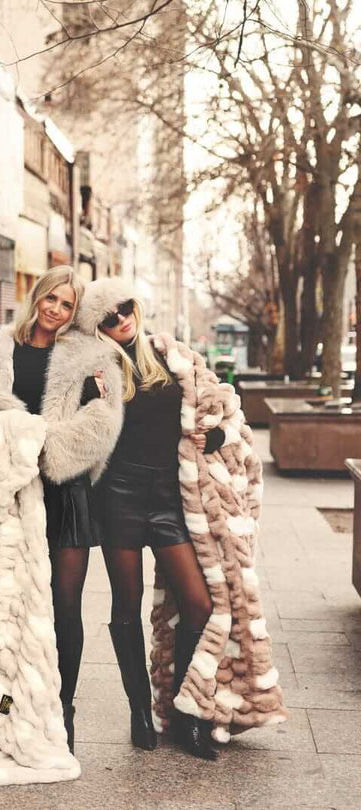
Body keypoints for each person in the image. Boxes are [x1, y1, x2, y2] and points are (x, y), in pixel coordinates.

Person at [76, 278, 287, 759]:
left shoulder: (174, 357)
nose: (120, 319)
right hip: (119, 497)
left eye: (124, 308)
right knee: (124, 607)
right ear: (97, 327)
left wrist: (212, 438)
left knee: (199, 603)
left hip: (170, 498)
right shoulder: (96, 371)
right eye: (108, 317)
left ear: (136, 307)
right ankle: (139, 713)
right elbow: (79, 431)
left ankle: (187, 712)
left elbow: (222, 410)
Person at [0, 266, 123, 753]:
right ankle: (8, 708)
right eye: (51, 298)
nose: (56, 310)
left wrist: (40, 444)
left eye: (67, 304)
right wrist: (6, 447)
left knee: (64, 609)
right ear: (37, 296)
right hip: (10, 495)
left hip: (65, 493)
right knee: (12, 608)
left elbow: (102, 425)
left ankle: (61, 711)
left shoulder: (91, 358)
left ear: (75, 311)